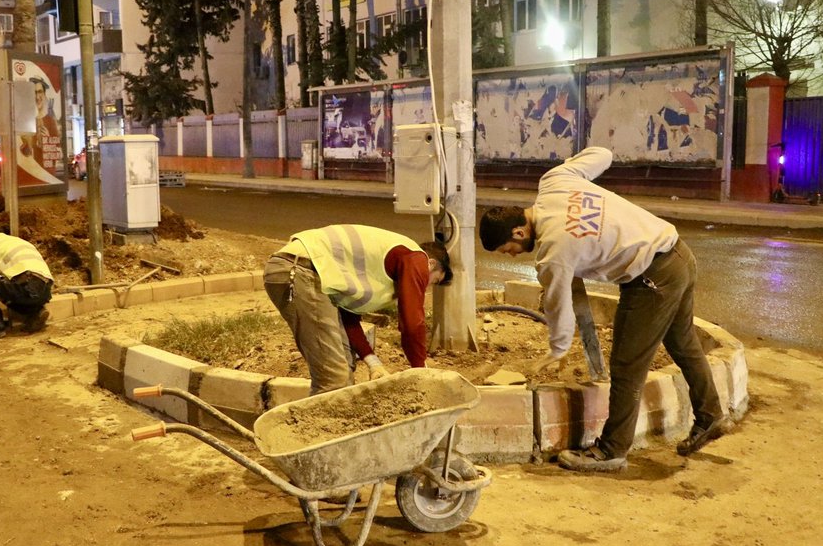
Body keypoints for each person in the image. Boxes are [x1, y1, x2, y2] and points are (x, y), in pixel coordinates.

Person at [478, 146, 727, 472]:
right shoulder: (554, 182)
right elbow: (604, 154)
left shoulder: (553, 251)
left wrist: (558, 348)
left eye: (507, 250)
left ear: (519, 231)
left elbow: (558, 305)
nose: (511, 256)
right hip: (678, 254)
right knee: (682, 342)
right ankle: (710, 415)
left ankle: (612, 450)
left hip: (651, 279)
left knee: (626, 365)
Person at [262, 224, 452, 395]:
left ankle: (335, 428)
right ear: (431, 264)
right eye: (433, 280)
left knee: (345, 365)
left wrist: (373, 363)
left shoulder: (370, 272)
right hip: (302, 270)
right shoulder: (417, 257)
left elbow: (348, 318)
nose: (426, 287)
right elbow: (412, 322)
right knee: (334, 379)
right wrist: (421, 371)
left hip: (300, 271)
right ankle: (321, 433)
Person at [0, 222, 53, 337]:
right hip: (45, 289)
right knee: (7, 293)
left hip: (28, 284)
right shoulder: (16, 241)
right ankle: (35, 313)